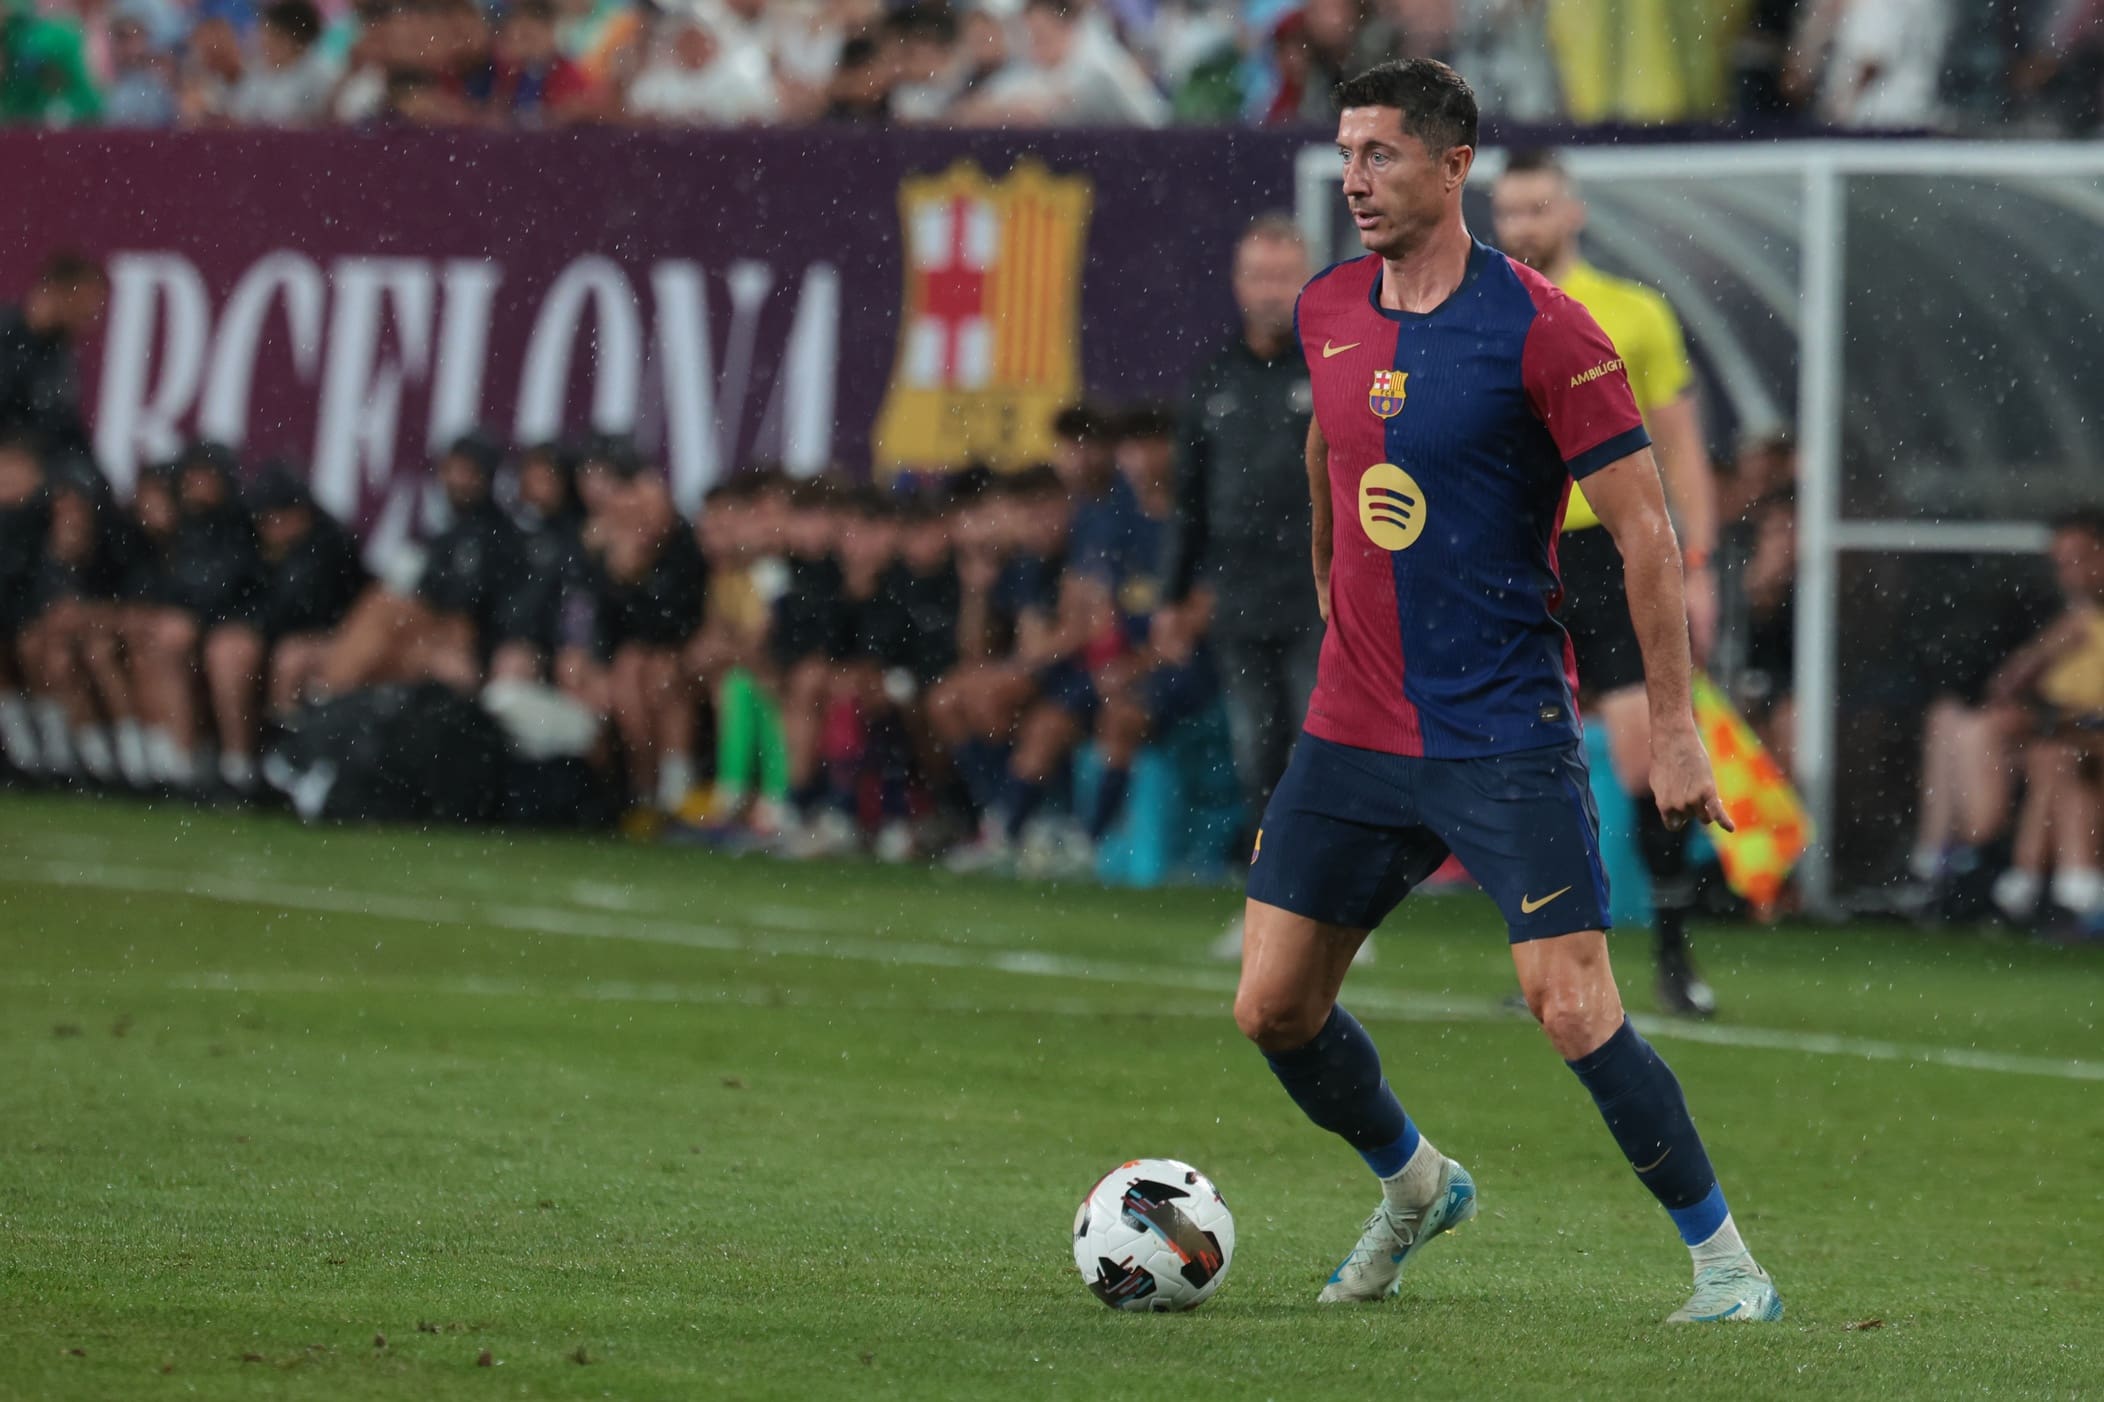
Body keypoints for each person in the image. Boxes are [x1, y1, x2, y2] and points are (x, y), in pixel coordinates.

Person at [1239, 58, 1778, 1324]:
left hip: (1498, 728)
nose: (1355, 178)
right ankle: (1417, 1183)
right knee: (1271, 1006)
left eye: (1380, 155)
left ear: (1454, 165)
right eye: (1346, 152)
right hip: (1354, 725)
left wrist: (1677, 729)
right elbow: (1328, 441)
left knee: (1570, 1001)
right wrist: (1332, 587)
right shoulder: (1327, 308)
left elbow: (1646, 534)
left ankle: (1726, 1265)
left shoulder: (1546, 327)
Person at [1491, 147, 1723, 1018]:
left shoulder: (1634, 313)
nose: (1525, 226)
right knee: (1524, 756)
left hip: (1607, 554)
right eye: (1511, 211)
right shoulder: (1482, 310)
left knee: (1641, 745)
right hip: (1516, 554)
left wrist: (1693, 563)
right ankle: (1555, 959)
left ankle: (1672, 951)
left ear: (1573, 212)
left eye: (1539, 208)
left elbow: (1681, 447)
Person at [1160, 213, 1318, 881]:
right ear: (1236, 283)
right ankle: (1272, 898)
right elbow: (1188, 499)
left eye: (1282, 276)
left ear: (1305, 280)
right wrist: (1173, 596)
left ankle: (1330, 901)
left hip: (1320, 590)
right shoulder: (1212, 380)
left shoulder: (1334, 369)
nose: (1270, 290)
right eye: (1258, 276)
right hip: (1239, 592)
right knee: (1256, 750)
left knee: (1318, 749)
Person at [0, 251, 107, 465]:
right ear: (58, 290)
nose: (94, 313)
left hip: (40, 472)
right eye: (88, 300)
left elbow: (67, 431)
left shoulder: (62, 356)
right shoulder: (6, 336)